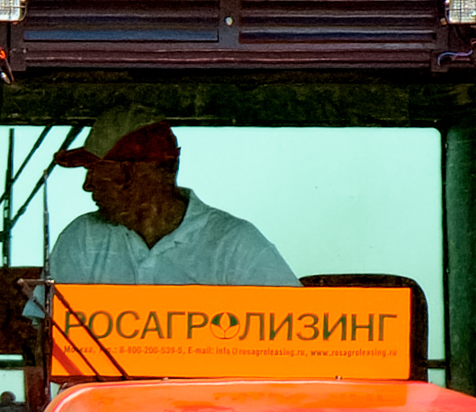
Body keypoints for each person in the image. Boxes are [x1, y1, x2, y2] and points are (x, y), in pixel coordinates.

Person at [45, 108, 295, 286]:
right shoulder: (82, 239)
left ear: (144, 172)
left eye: (97, 171)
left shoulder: (234, 244)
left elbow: (292, 332)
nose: (87, 186)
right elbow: (44, 336)